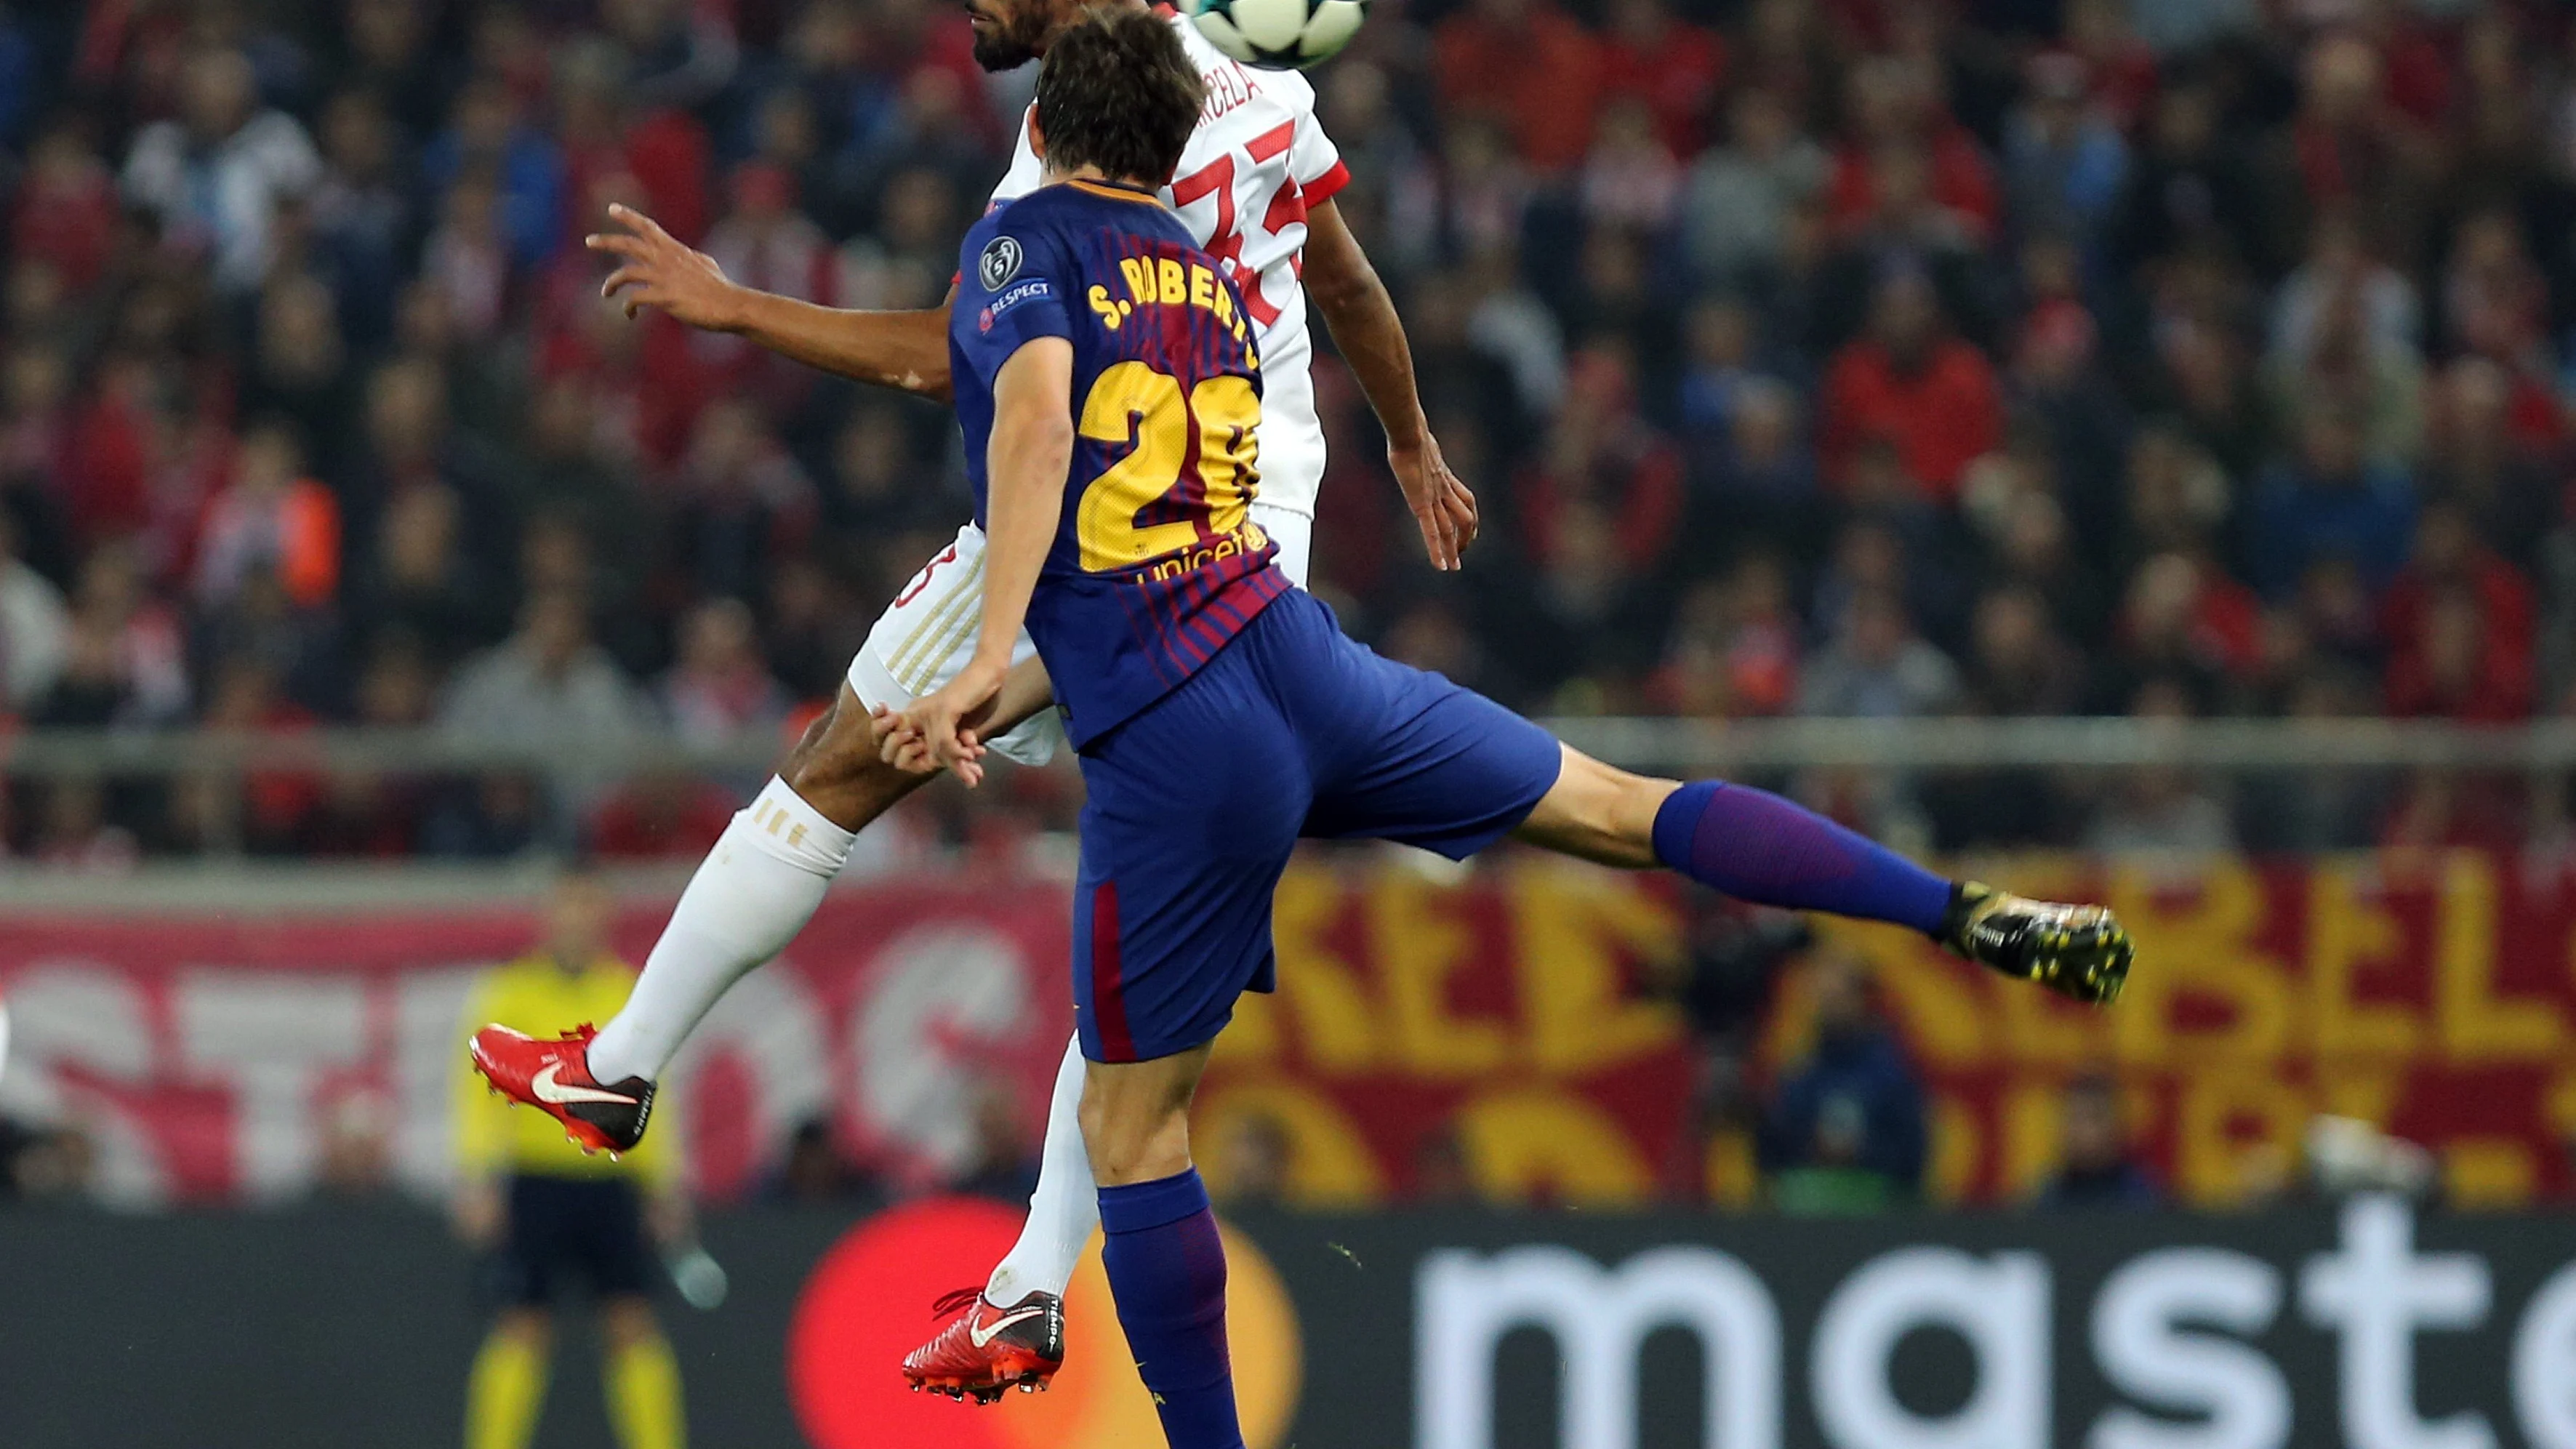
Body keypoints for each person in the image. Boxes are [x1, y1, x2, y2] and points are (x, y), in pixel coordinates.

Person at [896, 17, 2119, 1441]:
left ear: (1042, 129)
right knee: (1623, 808)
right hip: (1296, 656)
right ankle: (1952, 907)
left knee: (1129, 1128)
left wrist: (988, 660)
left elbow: (1044, 440)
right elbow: (1182, 530)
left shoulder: (1015, 249)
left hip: (1182, 735)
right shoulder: (1215, 289)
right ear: (1172, 148)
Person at [473, 0, 1476, 1399]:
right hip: (1256, 551)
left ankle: (623, 1069)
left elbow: (959, 362)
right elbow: (1350, 286)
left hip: (1109, 512)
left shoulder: (1079, 147)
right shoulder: (1260, 93)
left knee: (840, 767)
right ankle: (1020, 1286)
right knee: (1143, 973)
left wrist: (731, 304)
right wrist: (1413, 443)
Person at [455, 867, 689, 1449]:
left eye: (587, 909)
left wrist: (664, 1183)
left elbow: (654, 1090)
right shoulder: (511, 991)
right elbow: (479, 1090)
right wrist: (477, 1175)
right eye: (566, 909)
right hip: (538, 1181)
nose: (576, 923)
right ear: (547, 918)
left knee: (630, 1324)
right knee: (522, 1325)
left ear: (603, 918)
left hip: (614, 1181)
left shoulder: (629, 990)